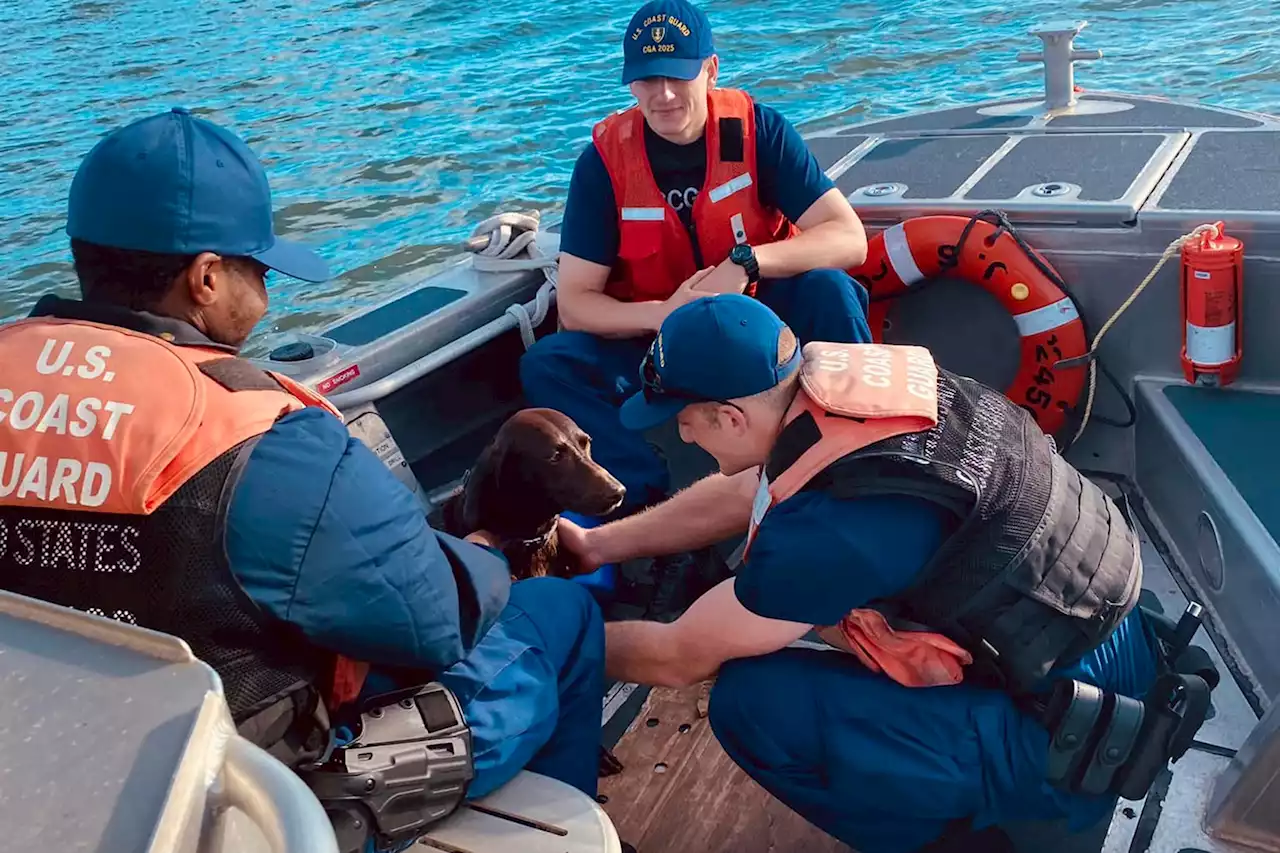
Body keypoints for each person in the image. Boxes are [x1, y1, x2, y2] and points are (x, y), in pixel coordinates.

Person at [0, 109, 604, 829]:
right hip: (241, 798)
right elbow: (439, 623)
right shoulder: (255, 434)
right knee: (561, 616)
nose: (267, 289)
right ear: (205, 278)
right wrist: (482, 556)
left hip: (40, 758)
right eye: (259, 268)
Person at [557, 293, 1166, 853]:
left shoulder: (835, 529)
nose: (677, 431)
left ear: (728, 418)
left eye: (679, 418)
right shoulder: (854, 402)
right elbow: (750, 489)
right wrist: (595, 545)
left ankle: (956, 841)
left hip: (1070, 743)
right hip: (1103, 643)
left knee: (754, 706)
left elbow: (676, 657)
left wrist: (550, 633)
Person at [520, 0, 872, 545]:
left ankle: (862, 460)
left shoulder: (758, 131)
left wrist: (747, 262)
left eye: (676, 76)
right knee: (548, 363)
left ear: (710, 69)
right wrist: (663, 314)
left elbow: (848, 238)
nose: (662, 95)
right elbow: (577, 303)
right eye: (645, 79)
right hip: (662, 340)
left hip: (755, 328)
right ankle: (646, 508)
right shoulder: (603, 163)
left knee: (829, 288)